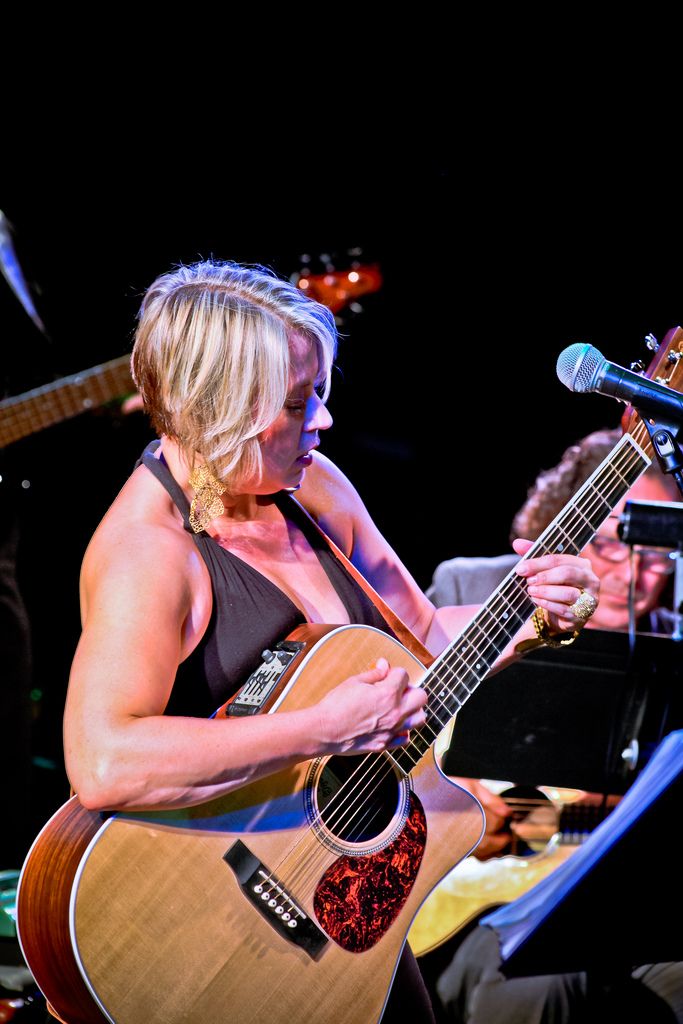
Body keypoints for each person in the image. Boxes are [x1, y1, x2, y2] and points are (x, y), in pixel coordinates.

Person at [62, 260, 599, 1024]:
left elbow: (421, 639)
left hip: (335, 899)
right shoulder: (148, 554)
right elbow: (106, 762)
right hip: (203, 923)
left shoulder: (308, 486)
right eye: (295, 402)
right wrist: (323, 728)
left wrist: (530, 613)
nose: (323, 420)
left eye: (318, 391)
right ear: (216, 405)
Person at [428, 428, 682, 1022]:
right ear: (568, 526)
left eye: (655, 551)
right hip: (477, 896)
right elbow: (394, 726)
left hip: (615, 902)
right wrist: (450, 802)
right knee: (533, 987)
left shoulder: (674, 644)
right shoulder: (471, 589)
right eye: (612, 544)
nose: (633, 573)